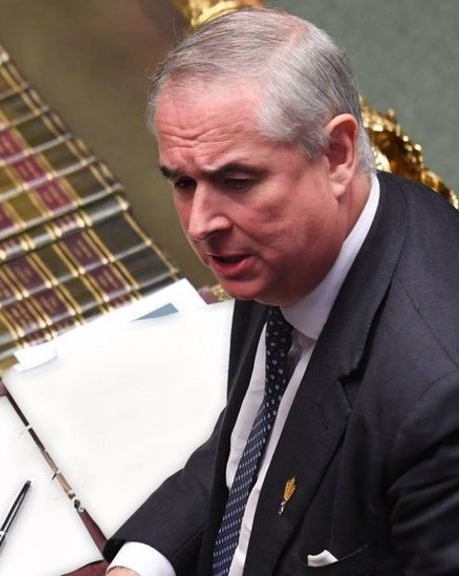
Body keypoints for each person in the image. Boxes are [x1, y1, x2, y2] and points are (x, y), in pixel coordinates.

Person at [103, 7, 459, 576]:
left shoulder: (438, 400)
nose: (201, 224)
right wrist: (142, 564)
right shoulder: (283, 248)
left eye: (235, 180)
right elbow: (253, 448)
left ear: (337, 153)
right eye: (184, 183)